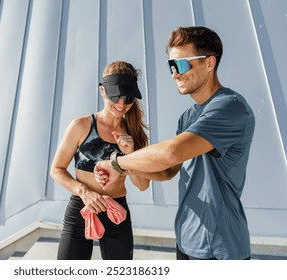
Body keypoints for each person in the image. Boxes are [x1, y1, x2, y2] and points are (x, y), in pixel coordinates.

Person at [94, 26, 255, 260]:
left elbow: (170, 153)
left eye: (180, 65)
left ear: (209, 63)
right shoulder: (188, 117)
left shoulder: (230, 107)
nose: (174, 74)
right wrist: (129, 167)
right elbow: (168, 170)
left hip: (220, 247)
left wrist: (117, 162)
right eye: (171, 66)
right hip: (186, 239)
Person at [50, 61, 150, 260]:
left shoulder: (135, 134)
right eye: (116, 96)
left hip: (117, 212)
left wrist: (130, 156)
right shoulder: (81, 126)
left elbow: (143, 185)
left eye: (128, 97)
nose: (121, 104)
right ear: (102, 91)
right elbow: (57, 169)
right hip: (81, 207)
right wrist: (84, 192)